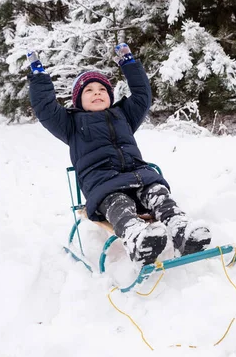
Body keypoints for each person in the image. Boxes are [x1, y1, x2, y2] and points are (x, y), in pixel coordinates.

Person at [27, 44, 211, 265]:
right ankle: (137, 238)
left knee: (158, 192)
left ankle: (181, 230)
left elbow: (142, 96)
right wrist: (39, 76)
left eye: (102, 89)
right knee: (119, 204)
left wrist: (129, 63)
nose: (97, 93)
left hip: (139, 177)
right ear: (78, 100)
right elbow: (45, 108)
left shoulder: (123, 115)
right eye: (89, 90)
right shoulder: (70, 124)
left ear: (110, 96)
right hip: (104, 186)